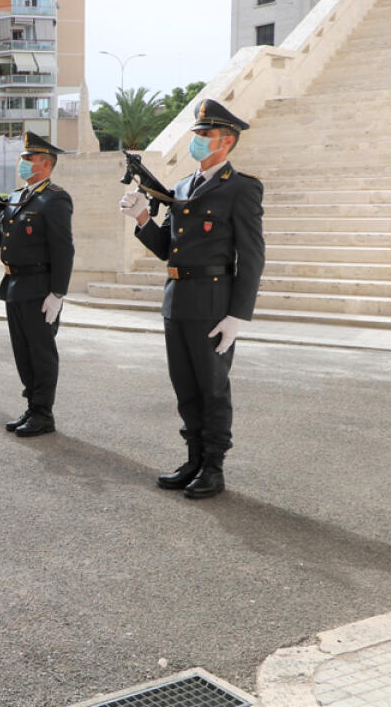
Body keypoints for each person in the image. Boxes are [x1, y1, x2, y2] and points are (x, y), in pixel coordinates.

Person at [119, 98, 264, 500]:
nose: (197, 141)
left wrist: (238, 315)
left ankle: (214, 468)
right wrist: (143, 219)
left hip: (213, 304)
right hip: (177, 300)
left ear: (227, 141)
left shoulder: (241, 188)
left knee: (212, 387)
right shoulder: (182, 187)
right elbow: (169, 248)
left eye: (205, 135)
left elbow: (252, 256)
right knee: (184, 386)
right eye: (196, 134)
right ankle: (194, 458)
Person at [0, 132, 74, 436]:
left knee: (40, 352)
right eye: (22, 158)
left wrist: (58, 293)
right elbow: (0, 240)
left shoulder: (55, 198)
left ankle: (43, 413)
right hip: (14, 284)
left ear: (46, 164)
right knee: (22, 353)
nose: (22, 163)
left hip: (40, 288)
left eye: (29, 158)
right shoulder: (16, 197)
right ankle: (32, 407)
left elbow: (64, 249)